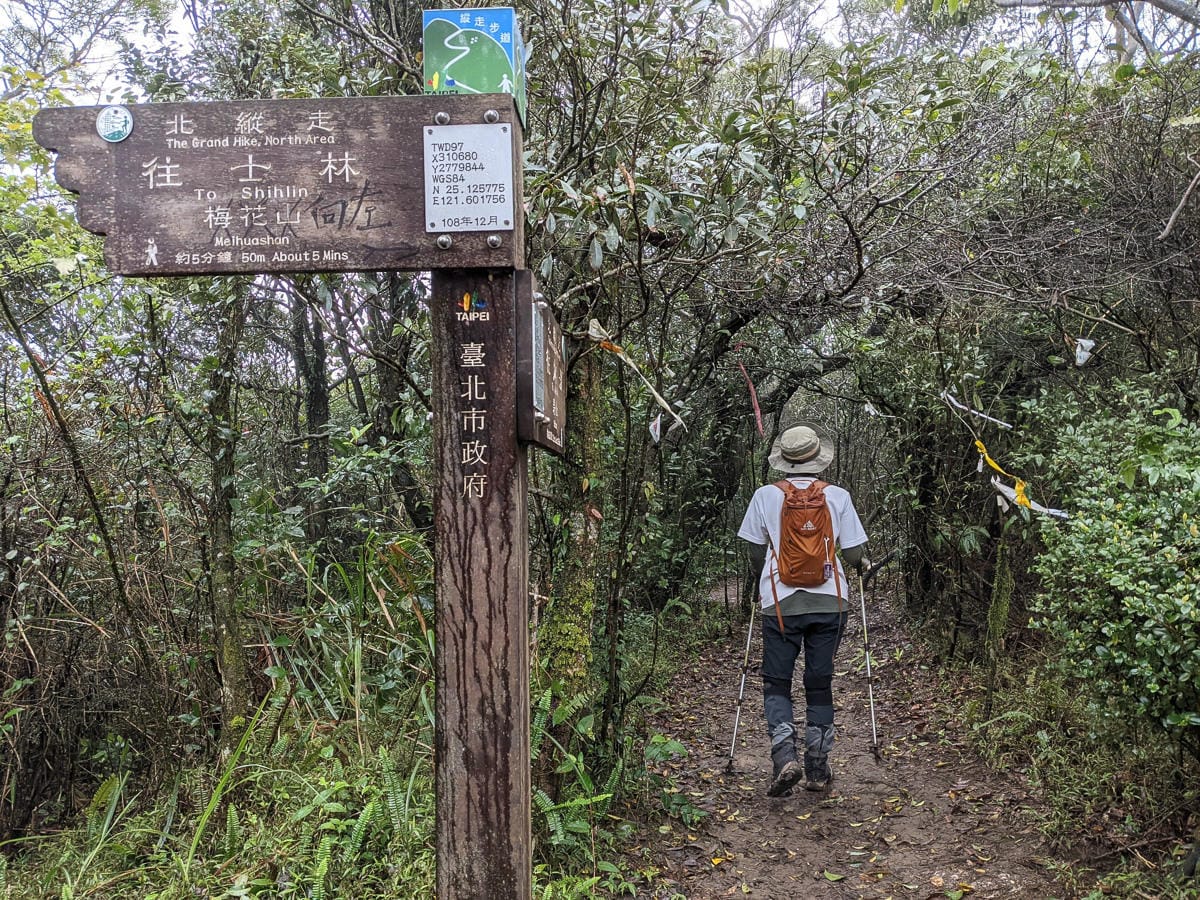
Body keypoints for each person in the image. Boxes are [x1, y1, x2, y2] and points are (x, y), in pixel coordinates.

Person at [737, 422, 868, 797]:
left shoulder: (765, 496)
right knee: (819, 681)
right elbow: (854, 554)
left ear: (785, 461)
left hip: (780, 603)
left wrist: (760, 576)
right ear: (817, 458)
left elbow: (753, 550)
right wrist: (860, 566)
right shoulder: (838, 496)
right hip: (830, 603)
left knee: (777, 681)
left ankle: (784, 758)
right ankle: (817, 769)